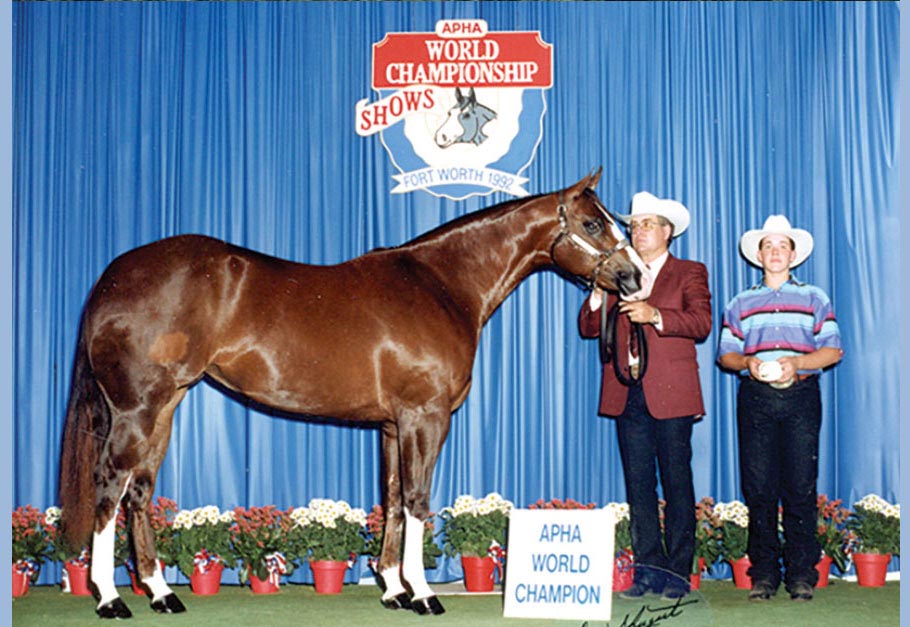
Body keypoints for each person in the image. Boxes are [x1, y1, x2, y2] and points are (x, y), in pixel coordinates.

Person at [578, 191, 712, 600]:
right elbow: (587, 327)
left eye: (647, 224)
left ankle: (677, 573)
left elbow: (702, 322)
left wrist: (655, 315)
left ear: (667, 232)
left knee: (676, 483)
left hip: (671, 393)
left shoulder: (689, 271)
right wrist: (598, 297)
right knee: (638, 486)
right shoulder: (617, 269)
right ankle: (648, 571)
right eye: (635, 225)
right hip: (627, 390)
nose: (639, 231)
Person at [717, 215, 843, 602]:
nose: (775, 252)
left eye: (781, 246)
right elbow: (726, 355)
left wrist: (798, 363)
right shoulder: (740, 302)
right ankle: (764, 574)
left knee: (801, 485)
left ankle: (801, 574)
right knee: (759, 487)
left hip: (802, 396)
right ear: (759, 255)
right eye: (768, 246)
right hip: (755, 397)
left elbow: (833, 349)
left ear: (793, 255)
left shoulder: (814, 298)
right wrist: (748, 364)